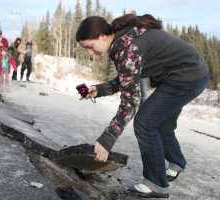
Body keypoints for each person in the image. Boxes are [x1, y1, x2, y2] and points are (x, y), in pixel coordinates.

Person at [76, 14, 209, 198]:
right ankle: (176, 162)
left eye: (90, 47)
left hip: (186, 77)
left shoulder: (127, 46)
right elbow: (126, 78)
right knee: (160, 122)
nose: (91, 53)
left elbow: (130, 102)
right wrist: (98, 90)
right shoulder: (124, 39)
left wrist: (107, 139)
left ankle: (156, 185)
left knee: (145, 123)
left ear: (101, 36)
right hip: (191, 72)